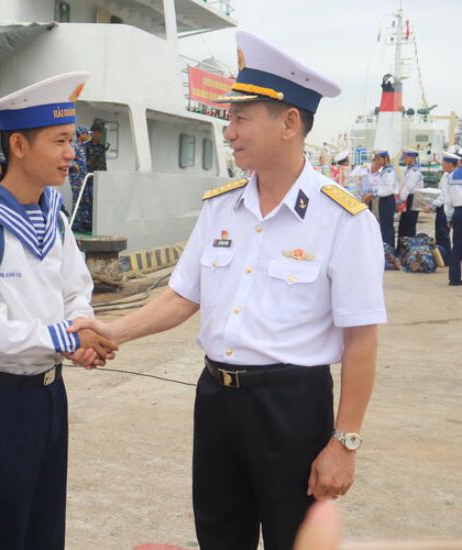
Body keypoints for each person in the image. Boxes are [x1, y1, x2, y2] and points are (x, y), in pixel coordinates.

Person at [70, 31, 386, 550]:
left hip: (292, 406)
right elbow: (182, 296)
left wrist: (344, 441)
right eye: (229, 118)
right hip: (216, 400)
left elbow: (361, 339)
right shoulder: (221, 207)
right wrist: (112, 329)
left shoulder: (342, 220)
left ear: (289, 122)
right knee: (219, 535)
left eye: (241, 117)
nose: (230, 131)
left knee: (293, 539)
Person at [0, 71, 117, 550]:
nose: (71, 153)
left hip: (48, 397)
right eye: (60, 141)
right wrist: (64, 338)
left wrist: (79, 327)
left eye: (72, 140)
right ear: (18, 144)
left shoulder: (53, 216)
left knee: (43, 528)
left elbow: (77, 288)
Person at [423, 151, 458, 263]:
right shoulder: (446, 175)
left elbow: (444, 196)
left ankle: (446, 258)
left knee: (443, 235)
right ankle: (444, 257)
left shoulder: (452, 176)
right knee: (440, 234)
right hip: (443, 207)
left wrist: (433, 206)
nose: (442, 165)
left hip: (447, 208)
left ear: (449, 164)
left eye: (443, 163)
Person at [365, 150, 396, 249]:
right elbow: (381, 186)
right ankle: (386, 248)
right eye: (376, 160)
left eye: (379, 159)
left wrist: (373, 194)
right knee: (384, 225)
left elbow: (388, 189)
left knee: (387, 227)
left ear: (386, 159)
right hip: (383, 200)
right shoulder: (385, 170)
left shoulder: (389, 171)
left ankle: (388, 249)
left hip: (387, 199)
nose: (377, 162)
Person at [396, 148, 424, 254]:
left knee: (409, 226)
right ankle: (401, 251)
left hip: (411, 199)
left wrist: (400, 200)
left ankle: (409, 252)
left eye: (406, 157)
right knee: (403, 226)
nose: (404, 159)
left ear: (412, 158)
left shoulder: (414, 171)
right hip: (407, 198)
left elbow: (408, 187)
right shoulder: (409, 169)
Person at [70, 125, 92, 232]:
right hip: (76, 178)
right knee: (77, 200)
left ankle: (84, 222)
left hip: (84, 177)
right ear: (81, 134)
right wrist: (75, 165)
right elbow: (67, 159)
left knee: (84, 200)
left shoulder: (82, 145)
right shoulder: (74, 145)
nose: (88, 136)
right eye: (87, 133)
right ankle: (76, 224)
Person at [444, 163, 462, 286]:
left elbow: (448, 199)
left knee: (457, 245)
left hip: (458, 212)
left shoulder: (451, 176)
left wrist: (449, 216)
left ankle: (454, 278)